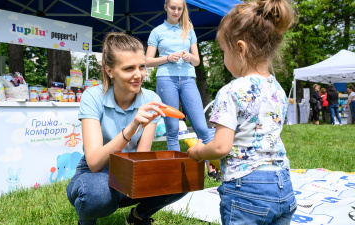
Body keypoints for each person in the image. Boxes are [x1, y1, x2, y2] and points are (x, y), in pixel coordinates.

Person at [187, 0, 297, 224]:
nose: (224, 57)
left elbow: (220, 147)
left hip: (246, 189)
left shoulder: (231, 91)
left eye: (223, 51)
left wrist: (199, 152)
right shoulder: (277, 89)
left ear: (240, 48)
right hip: (283, 184)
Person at [66, 33, 186, 225]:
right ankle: (86, 222)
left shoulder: (150, 99)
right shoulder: (92, 97)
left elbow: (141, 158)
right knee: (95, 194)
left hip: (131, 169)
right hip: (96, 173)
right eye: (129, 68)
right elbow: (95, 162)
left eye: (142, 67)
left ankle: (138, 217)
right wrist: (131, 127)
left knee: (181, 176)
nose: (138, 75)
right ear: (110, 70)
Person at [145, 0, 220, 181]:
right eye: (173, 8)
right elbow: (147, 61)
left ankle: (216, 167)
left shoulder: (189, 29)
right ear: (165, 7)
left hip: (188, 79)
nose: (176, 11)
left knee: (202, 127)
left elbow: (197, 61)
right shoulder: (157, 32)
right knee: (172, 128)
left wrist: (189, 57)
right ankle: (175, 172)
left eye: (180, 8)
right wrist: (167, 58)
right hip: (166, 79)